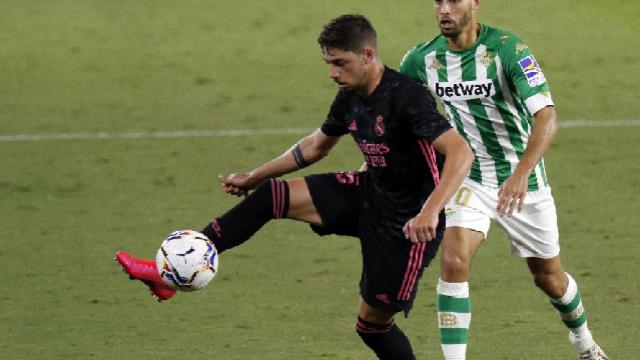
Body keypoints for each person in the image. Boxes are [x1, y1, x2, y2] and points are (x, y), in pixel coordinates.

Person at [116, 14, 474, 359]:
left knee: (372, 327)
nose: (333, 72)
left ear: (368, 55)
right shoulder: (350, 97)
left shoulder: (406, 96)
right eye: (328, 63)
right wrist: (255, 176)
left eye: (340, 62)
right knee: (271, 196)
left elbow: (461, 153)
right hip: (368, 193)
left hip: (408, 226)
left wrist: (430, 212)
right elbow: (316, 145)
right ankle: (171, 275)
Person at [398, 1, 609, 359]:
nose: (444, 9)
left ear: (474, 3)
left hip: (522, 182)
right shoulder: (422, 59)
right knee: (453, 259)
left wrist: (521, 174)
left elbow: (547, 117)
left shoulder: (508, 50)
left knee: (549, 278)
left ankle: (584, 342)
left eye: (453, 0)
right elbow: (397, 115)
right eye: (438, 2)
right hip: (468, 176)